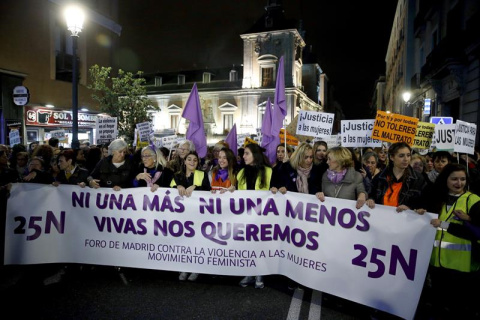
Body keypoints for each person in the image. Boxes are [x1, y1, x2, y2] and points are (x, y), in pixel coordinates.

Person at [423, 163, 480, 319]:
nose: (459, 183)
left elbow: (474, 232)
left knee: (459, 308)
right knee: (439, 305)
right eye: (454, 179)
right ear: (445, 179)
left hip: (462, 266)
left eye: (462, 179)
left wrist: (446, 224)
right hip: (437, 264)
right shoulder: (436, 197)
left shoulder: (473, 200)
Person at [170, 151, 210, 282]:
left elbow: (207, 191)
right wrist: (178, 185)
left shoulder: (202, 174)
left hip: (197, 215)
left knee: (197, 242)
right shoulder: (177, 175)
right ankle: (184, 267)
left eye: (195, 160)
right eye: (189, 159)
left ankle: (196, 269)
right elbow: (168, 190)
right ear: (184, 161)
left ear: (198, 163)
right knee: (184, 242)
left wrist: (195, 187)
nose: (192, 162)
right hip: (181, 216)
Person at [236, 143, 272, 289]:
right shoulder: (241, 172)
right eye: (244, 154)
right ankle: (250, 272)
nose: (243, 156)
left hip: (262, 216)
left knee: (260, 245)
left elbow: (274, 190)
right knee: (248, 245)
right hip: (246, 215)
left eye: (246, 153)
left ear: (255, 155)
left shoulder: (269, 171)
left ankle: (260, 273)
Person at [366, 142, 426, 211]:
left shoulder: (418, 179)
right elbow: (371, 195)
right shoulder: (380, 177)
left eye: (408, 155)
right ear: (392, 157)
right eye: (401, 156)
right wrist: (371, 200)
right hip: (381, 218)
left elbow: (423, 203)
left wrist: (410, 208)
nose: (406, 159)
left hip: (405, 220)